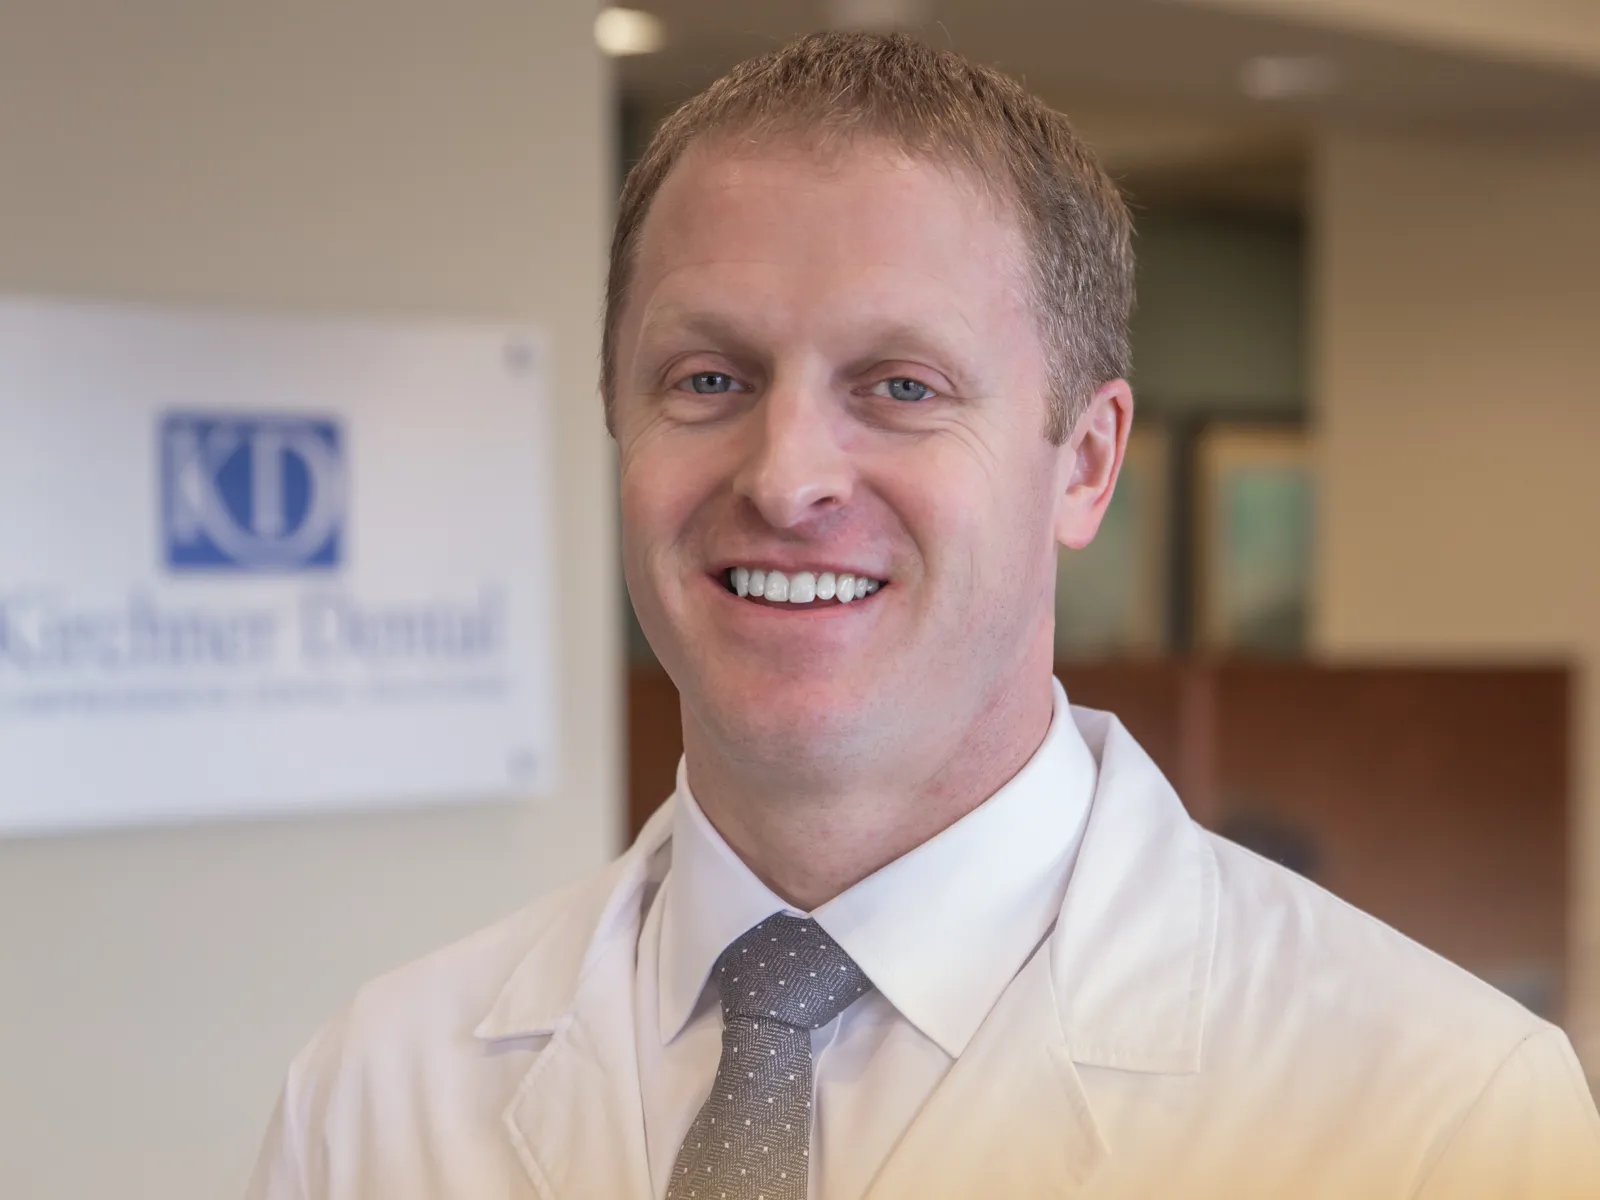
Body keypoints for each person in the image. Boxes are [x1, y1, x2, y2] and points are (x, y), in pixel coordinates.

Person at [245, 31, 1600, 1200]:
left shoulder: (1444, 1118)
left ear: (1085, 462)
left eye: (900, 386)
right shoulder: (373, 1096)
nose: (784, 478)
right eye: (709, 377)